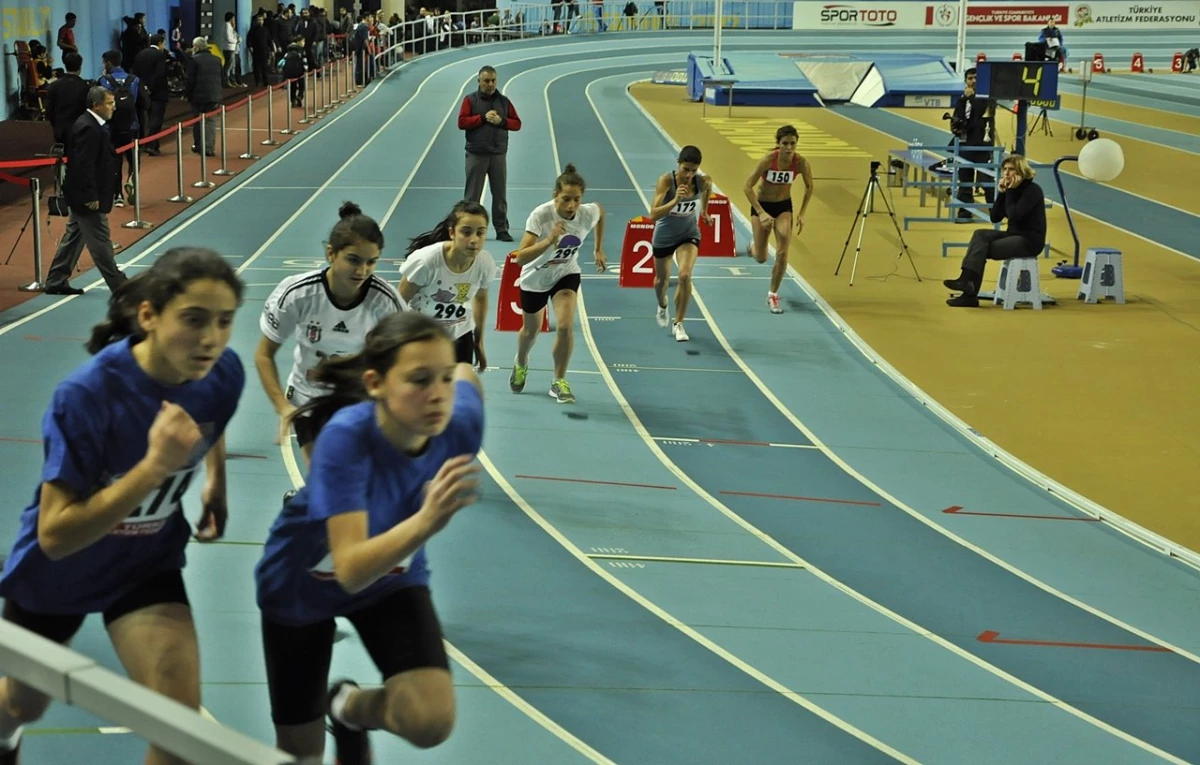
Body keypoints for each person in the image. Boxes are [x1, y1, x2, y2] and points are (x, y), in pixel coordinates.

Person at [0, 248, 245, 765]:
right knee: (21, 704)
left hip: (144, 564)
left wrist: (215, 481)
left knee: (180, 729)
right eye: (194, 320)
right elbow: (55, 535)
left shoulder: (223, 373)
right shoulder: (87, 397)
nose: (211, 339)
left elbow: (209, 421)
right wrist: (154, 468)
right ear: (149, 316)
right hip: (57, 574)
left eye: (224, 322)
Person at [255, 312, 484, 765]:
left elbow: (466, 373)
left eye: (441, 379)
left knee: (431, 722)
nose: (437, 394)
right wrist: (426, 521)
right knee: (301, 757)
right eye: (419, 380)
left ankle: (347, 707)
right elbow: (351, 570)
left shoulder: (459, 424)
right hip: (302, 585)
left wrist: (453, 368)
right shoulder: (345, 439)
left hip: (392, 579)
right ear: (376, 383)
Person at [256, 202, 404, 464]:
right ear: (330, 254)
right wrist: (283, 408)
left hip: (358, 400)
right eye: (353, 260)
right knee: (323, 479)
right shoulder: (297, 294)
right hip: (308, 400)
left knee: (355, 479)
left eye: (372, 262)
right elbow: (264, 355)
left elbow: (404, 359)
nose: (362, 271)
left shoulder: (385, 301)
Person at [510, 164, 606, 403]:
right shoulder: (541, 215)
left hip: (566, 273)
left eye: (576, 199)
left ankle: (558, 381)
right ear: (555, 196)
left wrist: (598, 248)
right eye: (565, 199)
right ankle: (521, 361)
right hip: (535, 278)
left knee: (565, 326)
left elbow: (601, 211)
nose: (571, 205)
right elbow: (520, 258)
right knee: (530, 332)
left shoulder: (586, 213)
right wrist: (549, 239)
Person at [42, 86, 128, 296]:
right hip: (88, 197)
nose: (114, 107)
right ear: (96, 105)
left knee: (74, 236)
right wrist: (91, 196)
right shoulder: (88, 128)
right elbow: (83, 165)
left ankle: (56, 279)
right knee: (100, 243)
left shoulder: (91, 125)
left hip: (85, 194)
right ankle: (121, 287)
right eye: (109, 103)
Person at [399, 201, 496, 372]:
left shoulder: (485, 263)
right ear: (452, 232)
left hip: (460, 333)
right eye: (466, 232)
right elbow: (398, 302)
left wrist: (478, 340)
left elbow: (480, 298)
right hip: (422, 335)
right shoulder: (426, 262)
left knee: (458, 390)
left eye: (480, 233)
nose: (474, 240)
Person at [944, 154, 1046, 307]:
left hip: (1029, 240)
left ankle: (968, 292)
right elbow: (995, 217)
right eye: (1004, 169)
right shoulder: (1011, 190)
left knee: (981, 248)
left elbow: (1014, 215)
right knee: (980, 234)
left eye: (1011, 169)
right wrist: (1002, 194)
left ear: (1020, 172)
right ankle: (966, 282)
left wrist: (1009, 192)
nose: (1006, 173)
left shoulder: (1032, 190)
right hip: (1013, 235)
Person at [742, 125, 813, 314]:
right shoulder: (768, 160)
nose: (789, 148)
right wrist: (761, 213)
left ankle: (772, 295)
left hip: (783, 208)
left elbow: (809, 187)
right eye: (785, 144)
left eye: (793, 144)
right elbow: (747, 187)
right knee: (761, 257)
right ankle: (753, 247)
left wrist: (802, 213)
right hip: (762, 206)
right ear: (778, 144)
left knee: (782, 252)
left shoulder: (801, 163)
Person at [649, 145, 711, 342]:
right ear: (678, 164)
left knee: (684, 275)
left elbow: (707, 191)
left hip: (688, 233)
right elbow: (653, 214)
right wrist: (675, 200)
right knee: (661, 282)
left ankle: (679, 323)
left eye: (693, 170)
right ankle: (662, 305)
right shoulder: (666, 180)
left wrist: (704, 212)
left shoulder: (703, 181)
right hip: (665, 234)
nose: (689, 174)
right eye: (686, 169)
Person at [458, 65, 522, 242]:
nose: (490, 84)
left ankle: (501, 229)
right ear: (479, 81)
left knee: (500, 195)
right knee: (472, 196)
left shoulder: (504, 102)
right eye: (486, 81)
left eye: (493, 80)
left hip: (498, 154)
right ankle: (468, 229)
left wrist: (501, 121)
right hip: (476, 154)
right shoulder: (470, 100)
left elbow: (517, 124)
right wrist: (482, 118)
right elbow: (462, 122)